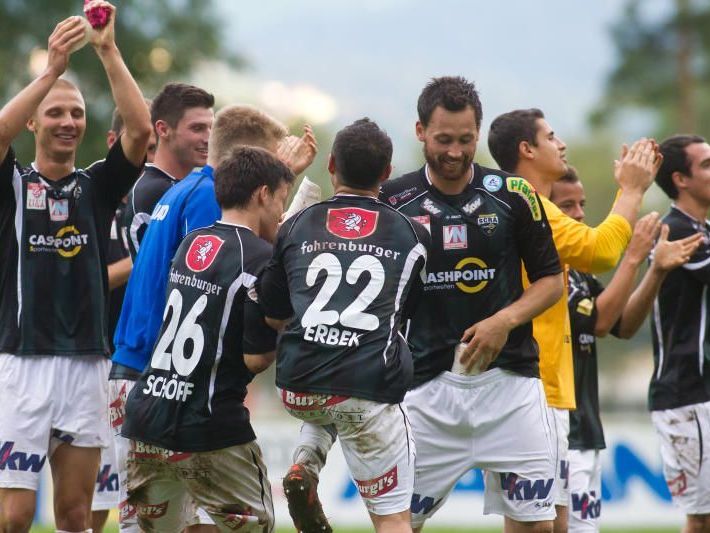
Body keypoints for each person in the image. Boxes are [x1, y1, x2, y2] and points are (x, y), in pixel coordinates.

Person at [286, 77, 564, 533]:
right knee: (400, 523)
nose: (454, 151)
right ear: (420, 132)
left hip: (511, 389)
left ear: (478, 132)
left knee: (535, 526)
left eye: (465, 140)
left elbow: (551, 281)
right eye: (443, 140)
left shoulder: (514, 193)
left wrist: (504, 320)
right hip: (423, 393)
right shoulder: (392, 199)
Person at [110, 104, 316, 529]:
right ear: (262, 192)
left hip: (146, 415)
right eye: (280, 199)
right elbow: (255, 358)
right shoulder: (258, 257)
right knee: (256, 524)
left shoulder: (192, 242)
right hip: (206, 422)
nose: (281, 212)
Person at [0, 2, 151, 531]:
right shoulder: (14, 184)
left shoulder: (96, 188)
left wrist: (108, 52)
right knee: (14, 516)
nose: (68, 122)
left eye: (77, 114)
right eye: (57, 113)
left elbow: (139, 130)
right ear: (34, 120)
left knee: (75, 514)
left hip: (87, 364)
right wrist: (51, 74)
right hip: (22, 363)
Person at [488, 108, 661, 532]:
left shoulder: (536, 206)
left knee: (554, 524)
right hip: (532, 386)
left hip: (549, 388)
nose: (561, 143)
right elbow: (599, 250)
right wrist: (632, 191)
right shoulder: (529, 207)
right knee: (536, 525)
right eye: (551, 136)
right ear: (527, 150)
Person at [257, 118, 430, 533]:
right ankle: (308, 464)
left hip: (297, 383)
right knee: (393, 519)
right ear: (387, 174)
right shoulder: (411, 234)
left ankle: (305, 463)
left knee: (328, 388)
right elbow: (408, 314)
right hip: (366, 387)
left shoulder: (298, 224)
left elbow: (272, 315)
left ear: (331, 164)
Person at [550, 168, 702, 532]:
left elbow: (622, 325)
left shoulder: (580, 274)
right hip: (557, 431)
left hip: (585, 429)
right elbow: (600, 321)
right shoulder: (547, 276)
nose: (580, 214)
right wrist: (632, 256)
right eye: (567, 205)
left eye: (582, 204)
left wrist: (656, 271)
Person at [92, 106, 156, 533]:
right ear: (116, 143)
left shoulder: (156, 200)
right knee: (95, 488)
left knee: (128, 490)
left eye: (155, 149)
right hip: (94, 357)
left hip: (134, 364)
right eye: (144, 148)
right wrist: (147, 259)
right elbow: (81, 276)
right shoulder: (95, 197)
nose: (149, 159)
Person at [644, 134, 710, 533]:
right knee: (701, 518)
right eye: (706, 165)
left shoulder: (701, 230)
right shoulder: (677, 232)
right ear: (680, 179)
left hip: (701, 390)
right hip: (686, 392)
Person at [122, 83, 215, 259]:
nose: (208, 138)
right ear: (163, 129)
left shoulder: (182, 186)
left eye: (212, 128)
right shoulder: (155, 190)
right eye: (197, 128)